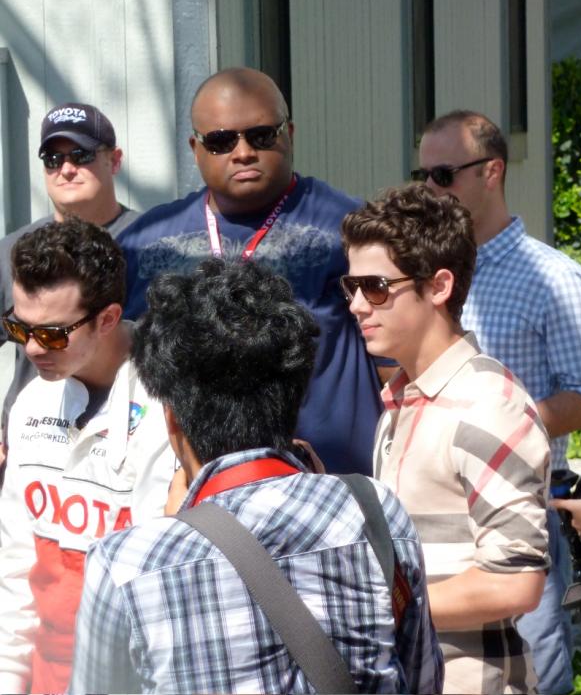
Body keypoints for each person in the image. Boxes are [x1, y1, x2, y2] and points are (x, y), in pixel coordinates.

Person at [69, 258, 443, 694]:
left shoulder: (126, 563)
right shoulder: (374, 510)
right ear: (293, 397)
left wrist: (172, 528)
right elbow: (421, 678)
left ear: (172, 420)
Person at [116, 67, 394, 475]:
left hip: (331, 481)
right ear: (195, 148)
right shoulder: (146, 244)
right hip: (202, 486)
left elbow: (396, 364)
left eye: (262, 135)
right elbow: (114, 365)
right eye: (221, 141)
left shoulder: (349, 228)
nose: (243, 152)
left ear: (289, 134)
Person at [415, 109, 581, 694]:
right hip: (432, 511)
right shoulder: (424, 275)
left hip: (523, 505)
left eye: (443, 175)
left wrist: (488, 428)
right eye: (422, 176)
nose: (430, 190)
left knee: (535, 674)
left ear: (491, 171)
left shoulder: (552, 277)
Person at [341, 184, 550, 694]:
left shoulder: (488, 403)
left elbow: (515, 582)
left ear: (438, 286)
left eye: (375, 287)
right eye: (350, 286)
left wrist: (371, 610)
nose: (357, 306)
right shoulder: (401, 398)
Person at [0, 219, 175, 694]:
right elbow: (16, 567)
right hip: (46, 673)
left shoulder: (170, 405)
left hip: (130, 677)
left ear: (108, 318)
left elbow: (157, 581)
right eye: (18, 327)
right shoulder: (30, 402)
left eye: (54, 334)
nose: (32, 348)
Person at [0, 102, 138, 466]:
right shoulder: (12, 252)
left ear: (115, 160)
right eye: (52, 159)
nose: (66, 169)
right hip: (33, 442)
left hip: (129, 442)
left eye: (81, 155)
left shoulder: (153, 244)